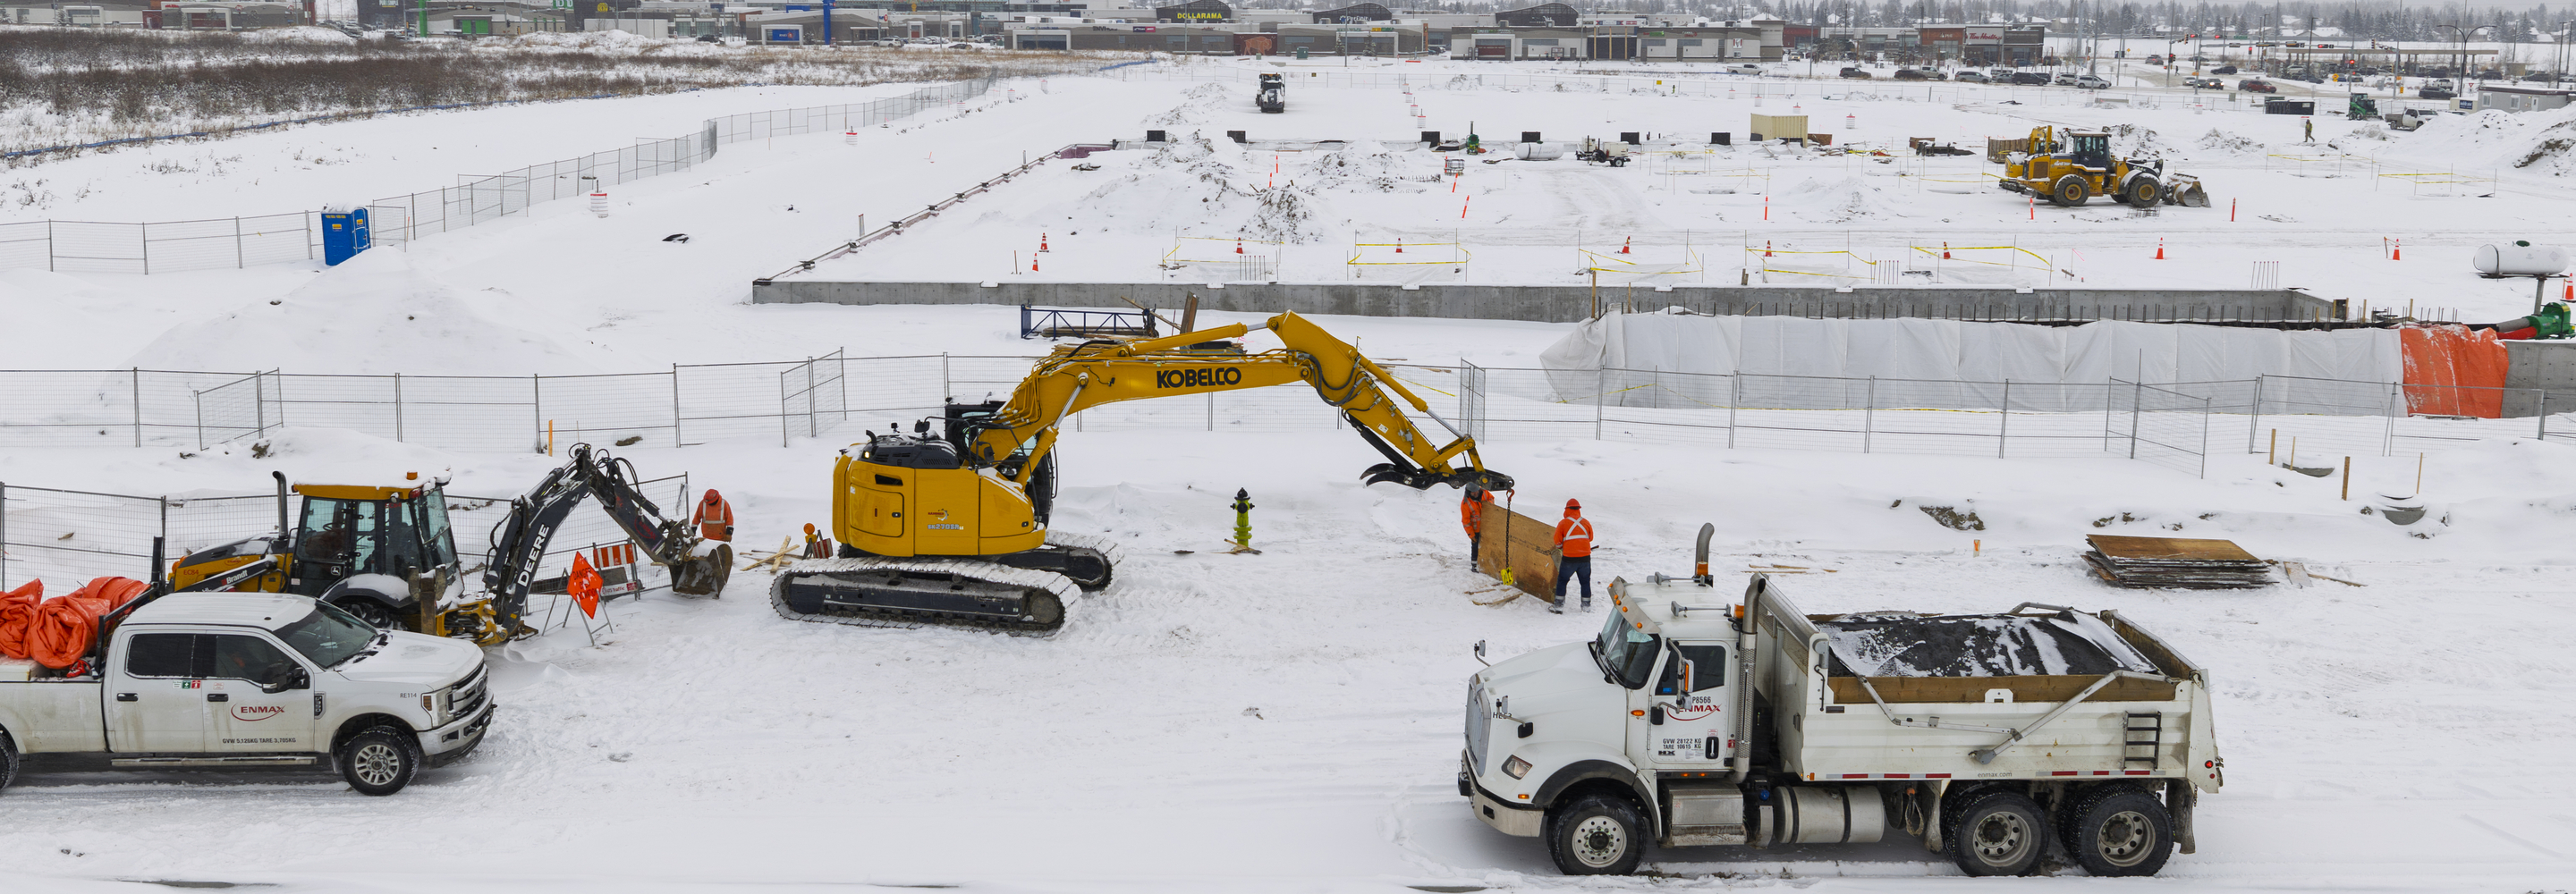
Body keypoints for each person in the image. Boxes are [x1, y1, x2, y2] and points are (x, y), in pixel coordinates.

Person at [1551, 499, 1594, 614]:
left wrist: (1562, 546)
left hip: (1569, 558)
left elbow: (1557, 542)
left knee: (1562, 580)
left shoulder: (1563, 523)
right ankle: (1586, 606)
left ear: (1567, 509)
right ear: (1578, 509)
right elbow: (1590, 538)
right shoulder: (1586, 522)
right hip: (1585, 558)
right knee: (1585, 582)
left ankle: (1559, 606)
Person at [1460, 484, 1495, 564]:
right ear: (1468, 492)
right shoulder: (1465, 504)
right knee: (1475, 547)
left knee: (1488, 546)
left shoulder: (1484, 492)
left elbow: (1491, 498)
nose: (1476, 494)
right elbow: (1466, 522)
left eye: (1476, 492)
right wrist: (1471, 535)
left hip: (1487, 527)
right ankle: (1474, 564)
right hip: (1476, 530)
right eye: (1473, 493)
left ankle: (1488, 563)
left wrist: (1488, 505)